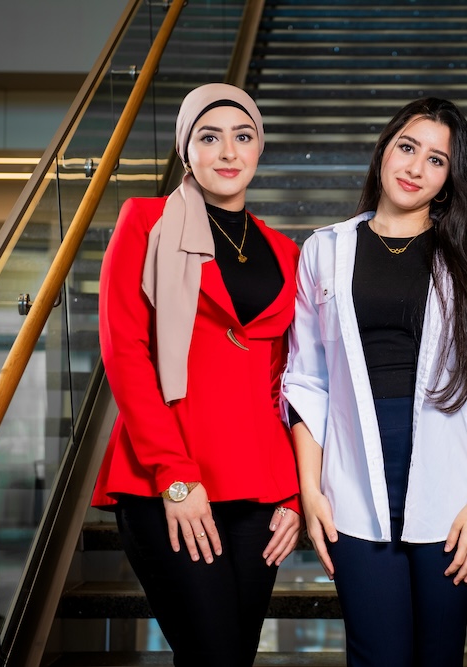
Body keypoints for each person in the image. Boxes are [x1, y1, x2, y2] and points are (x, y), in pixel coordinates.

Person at [281, 97, 467, 666]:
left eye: (437, 160)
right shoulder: (324, 250)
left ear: (450, 180)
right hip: (353, 481)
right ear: (385, 148)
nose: (415, 167)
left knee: (439, 657)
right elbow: (306, 380)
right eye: (408, 147)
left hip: (449, 487)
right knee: (377, 656)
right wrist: (311, 492)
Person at [90, 82, 302, 667]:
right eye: (210, 137)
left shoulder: (286, 252)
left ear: (259, 149)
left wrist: (291, 491)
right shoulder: (146, 222)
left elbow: (280, 381)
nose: (228, 152)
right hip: (167, 475)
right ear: (188, 150)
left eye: (243, 136)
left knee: (232, 656)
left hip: (258, 482)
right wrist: (176, 477)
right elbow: (124, 353)